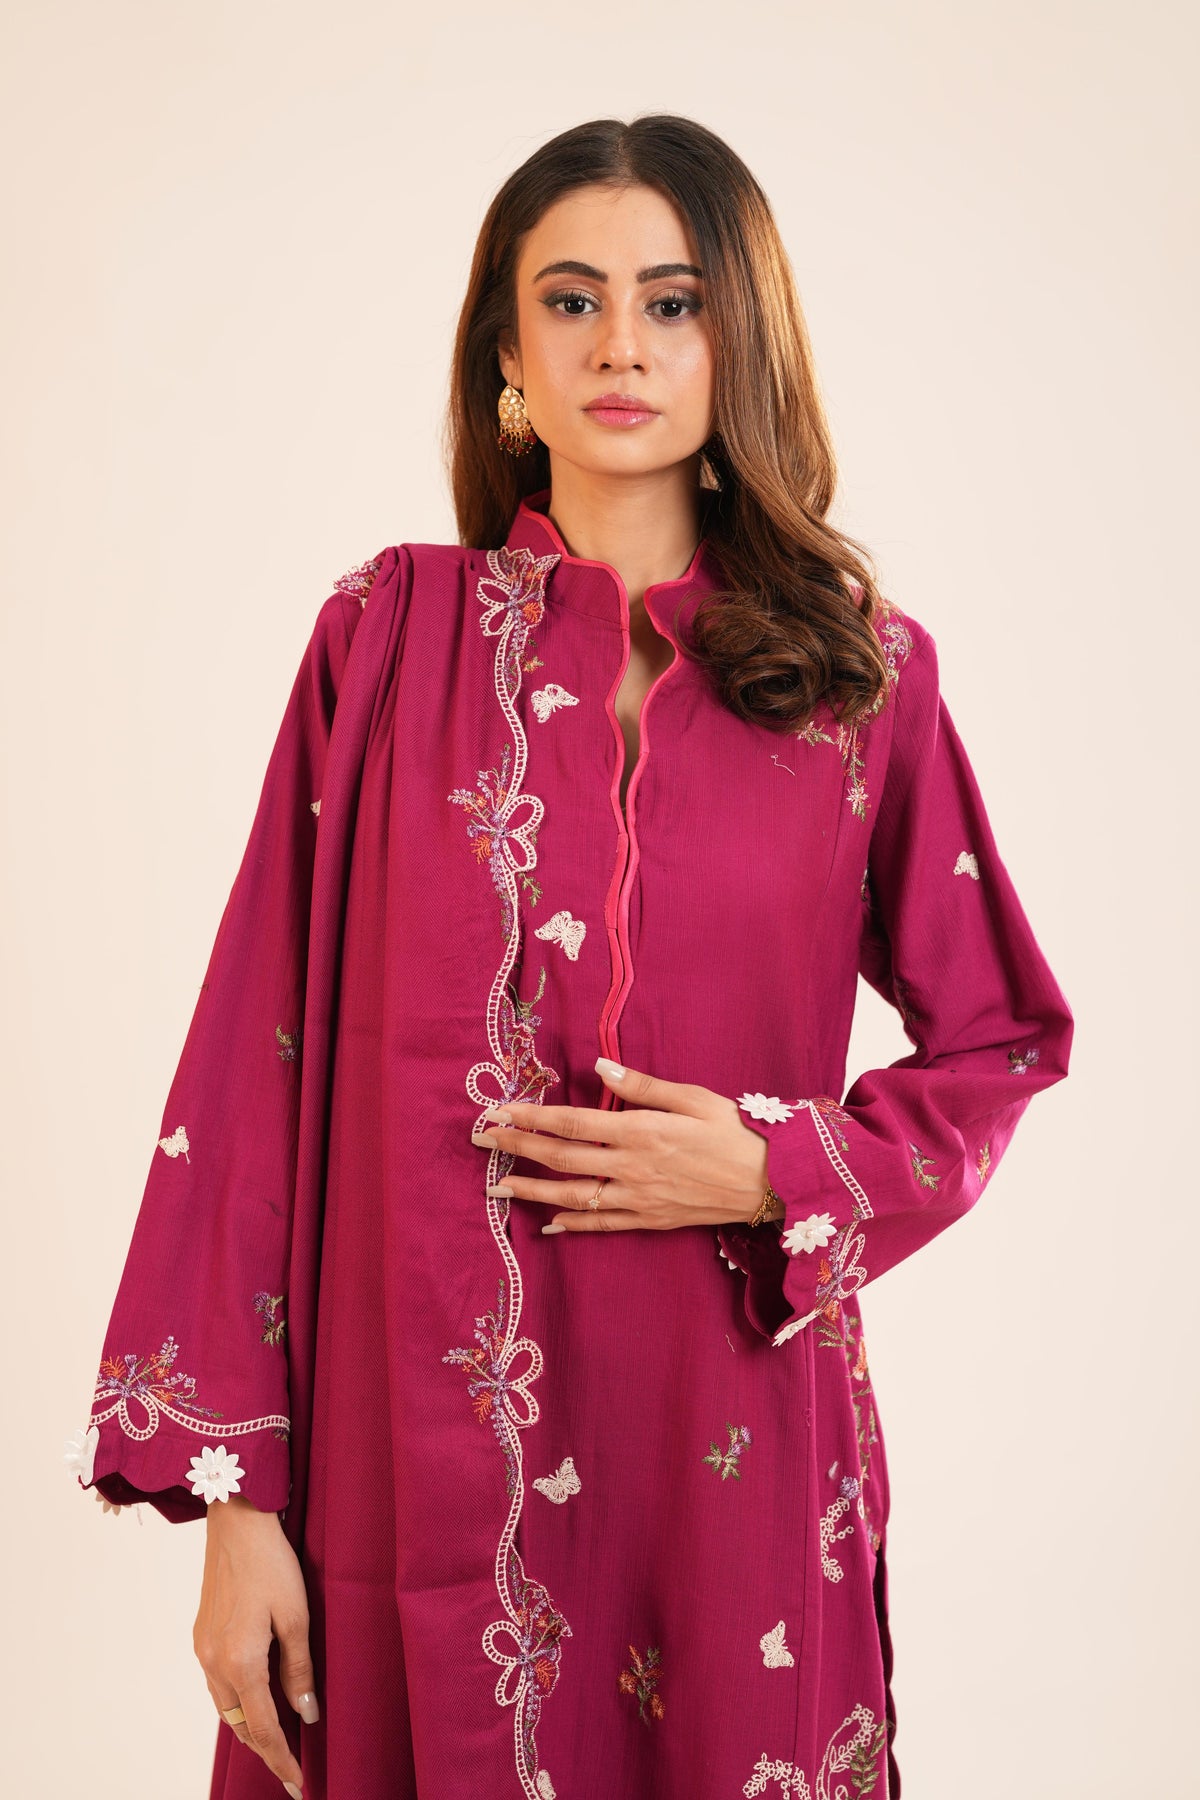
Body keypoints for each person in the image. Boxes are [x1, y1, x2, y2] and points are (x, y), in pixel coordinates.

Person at [66, 113, 1073, 1800]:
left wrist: (773, 1165)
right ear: (508, 355)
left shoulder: (861, 682)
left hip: (730, 1458)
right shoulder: (383, 648)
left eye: (675, 303)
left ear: (740, 345)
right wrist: (239, 1509)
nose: (623, 345)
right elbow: (255, 1065)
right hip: (405, 1467)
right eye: (573, 300)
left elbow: (1003, 1041)